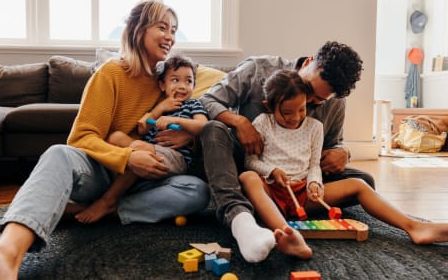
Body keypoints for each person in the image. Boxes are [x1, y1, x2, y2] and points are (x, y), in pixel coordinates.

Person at [0, 0, 209, 280]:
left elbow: (193, 111)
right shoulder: (110, 74)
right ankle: (4, 256)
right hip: (101, 173)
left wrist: (187, 137)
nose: (171, 36)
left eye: (174, 29)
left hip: (142, 184)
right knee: (58, 153)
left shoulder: (168, 83)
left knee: (196, 191)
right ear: (138, 29)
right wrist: (127, 155)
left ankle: (97, 209)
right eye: (162, 27)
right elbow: (82, 137)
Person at [238, 70, 448, 261]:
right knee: (247, 177)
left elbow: (313, 166)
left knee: (358, 183)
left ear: (307, 102)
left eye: (301, 110)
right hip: (272, 193)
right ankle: (288, 234)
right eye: (286, 113)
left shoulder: (314, 127)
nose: (295, 118)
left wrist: (314, 184)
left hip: (302, 194)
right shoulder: (262, 123)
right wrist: (272, 171)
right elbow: (251, 162)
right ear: (270, 106)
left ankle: (414, 227)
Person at [199, 41, 373, 263]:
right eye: (309, 90)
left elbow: (333, 144)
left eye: (317, 101)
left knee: (364, 181)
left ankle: (274, 208)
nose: (307, 103)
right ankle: (239, 216)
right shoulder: (257, 70)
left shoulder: (336, 102)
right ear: (309, 63)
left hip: (296, 180)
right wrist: (240, 122)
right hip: (244, 166)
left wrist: (343, 152)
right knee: (213, 130)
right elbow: (207, 99)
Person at [75, 54, 208, 224]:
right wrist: (159, 109)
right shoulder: (158, 104)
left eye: (188, 81)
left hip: (174, 158)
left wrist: (176, 120)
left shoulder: (193, 104)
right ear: (162, 85)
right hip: (147, 154)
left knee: (138, 147)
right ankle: (116, 198)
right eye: (175, 80)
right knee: (116, 137)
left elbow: (203, 126)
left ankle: (108, 201)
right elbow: (142, 127)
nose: (182, 86)